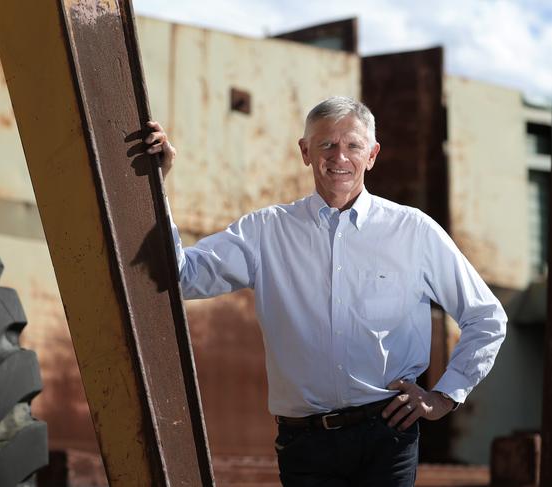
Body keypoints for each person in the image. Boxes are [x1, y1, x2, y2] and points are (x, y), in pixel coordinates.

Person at [143, 96, 506, 487]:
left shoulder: (412, 230)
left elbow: (486, 317)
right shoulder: (267, 231)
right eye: (326, 144)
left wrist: (445, 396)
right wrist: (154, 184)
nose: (340, 156)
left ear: (372, 155)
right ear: (305, 151)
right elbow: (183, 277)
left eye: (353, 145)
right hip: (305, 445)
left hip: (386, 435)